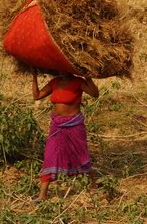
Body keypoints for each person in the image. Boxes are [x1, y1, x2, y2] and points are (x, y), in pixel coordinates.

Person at [32, 70, 100, 201]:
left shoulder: (78, 82)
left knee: (81, 154)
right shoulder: (54, 83)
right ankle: (42, 195)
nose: (61, 72)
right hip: (57, 125)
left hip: (75, 125)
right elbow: (37, 96)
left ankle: (93, 185)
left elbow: (95, 94)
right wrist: (34, 77)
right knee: (50, 155)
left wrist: (88, 78)